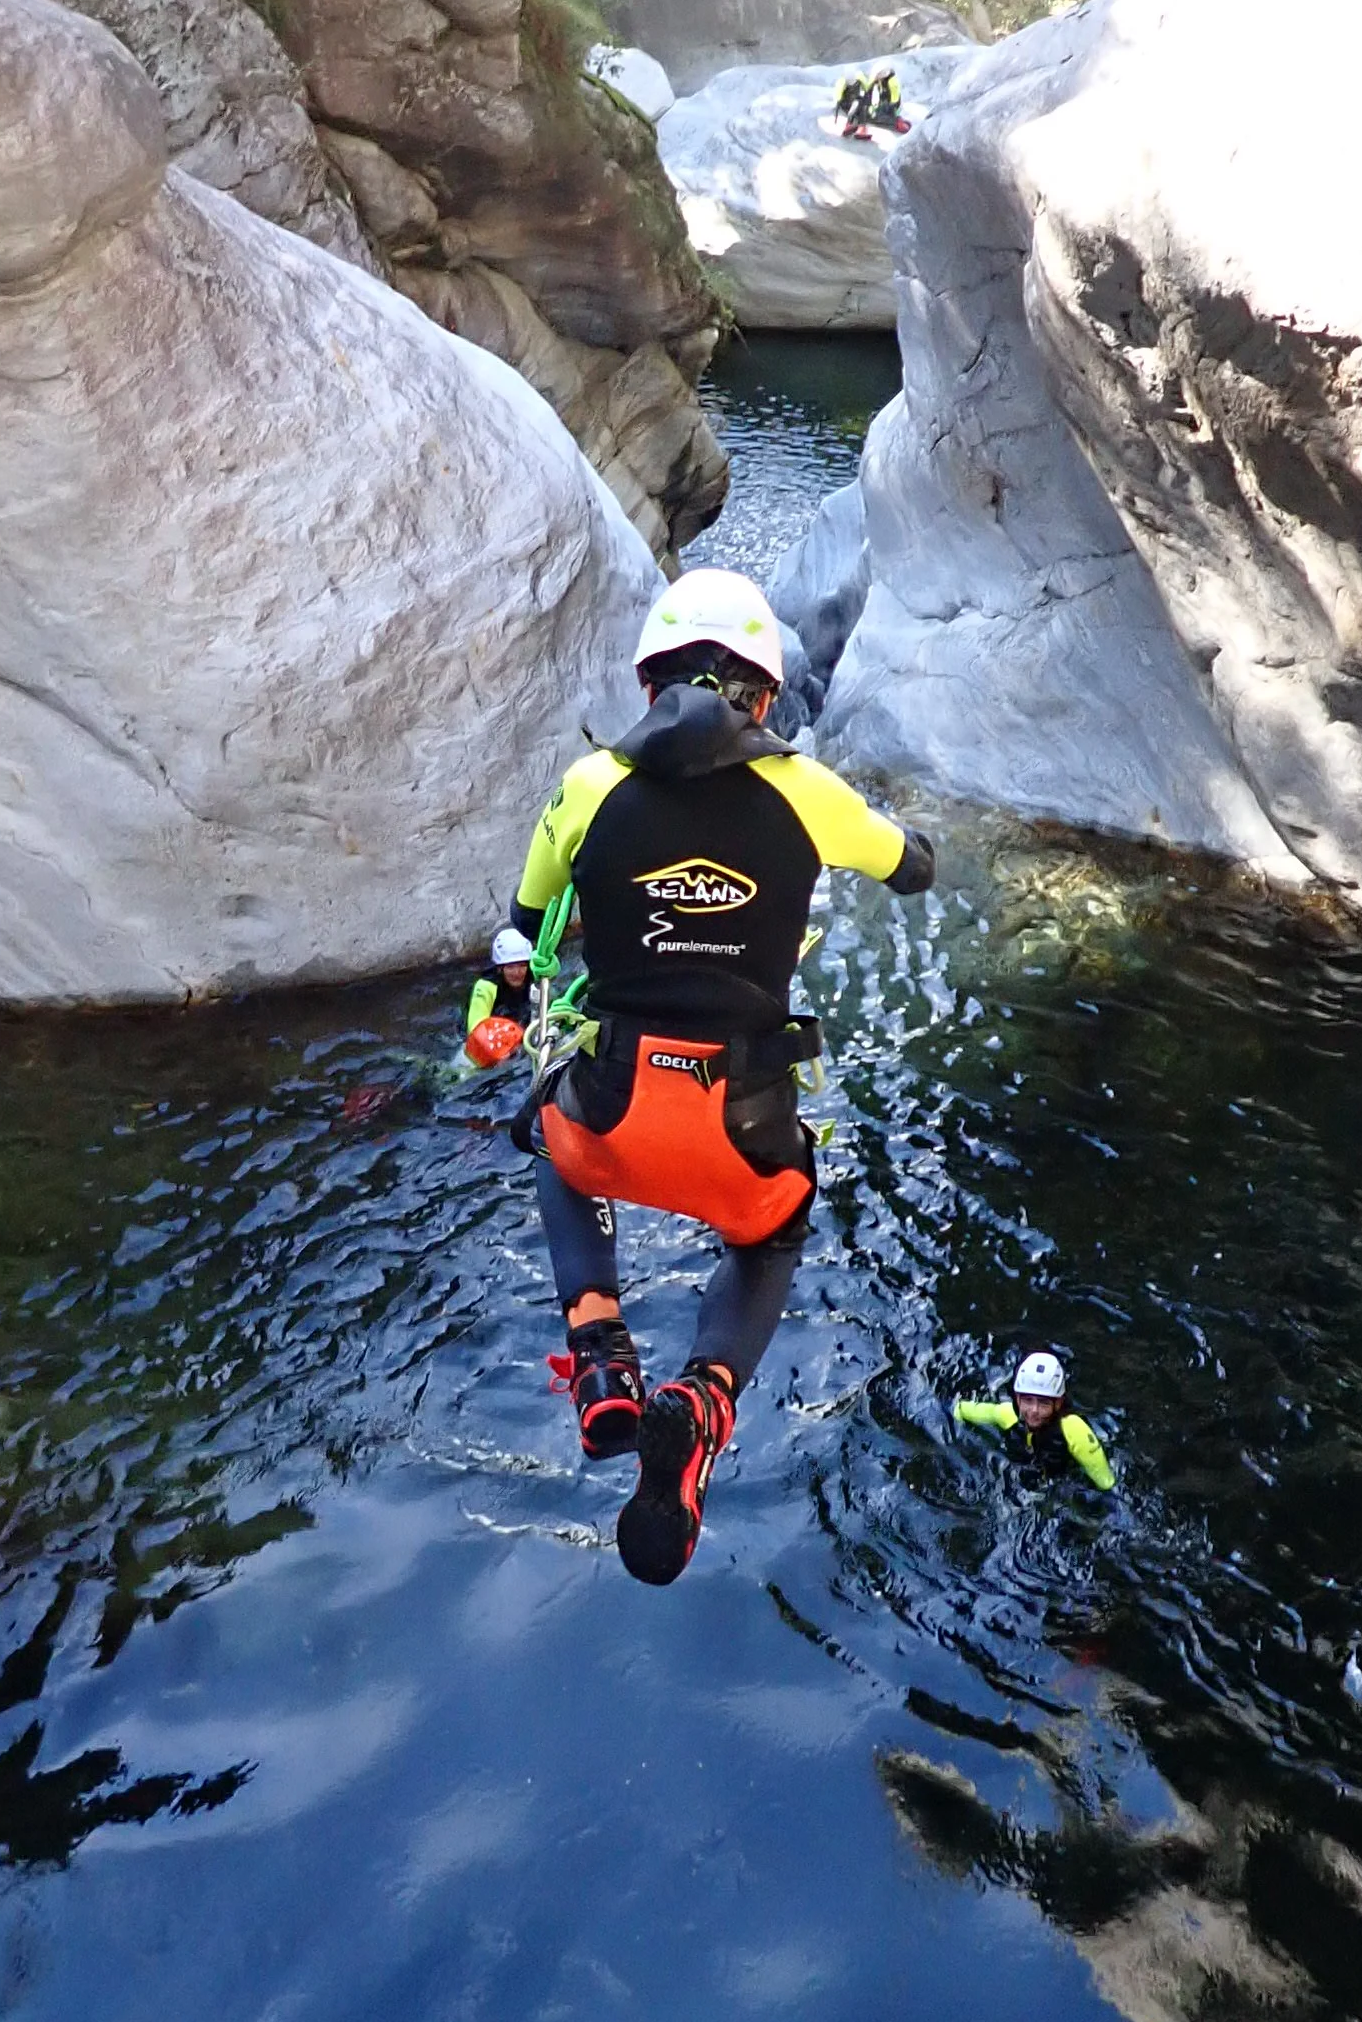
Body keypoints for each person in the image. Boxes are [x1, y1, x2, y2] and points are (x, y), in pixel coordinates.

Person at [471, 570, 934, 1584]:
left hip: (613, 1116)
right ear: (764, 699)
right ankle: (705, 1393)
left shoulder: (585, 788)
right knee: (772, 1231)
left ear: (648, 687)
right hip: (742, 1134)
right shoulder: (808, 794)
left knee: (551, 1140)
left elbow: (521, 924)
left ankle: (600, 1350)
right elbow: (914, 866)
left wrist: (505, 1005)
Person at [953, 1350, 1115, 1492]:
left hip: (1064, 1482)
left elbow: (1106, 1483)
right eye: (1028, 1400)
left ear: (1058, 1403)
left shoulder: (1074, 1430)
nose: (1033, 1411)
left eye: (1043, 1402)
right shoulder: (1008, 1415)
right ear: (1017, 1398)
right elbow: (961, 1409)